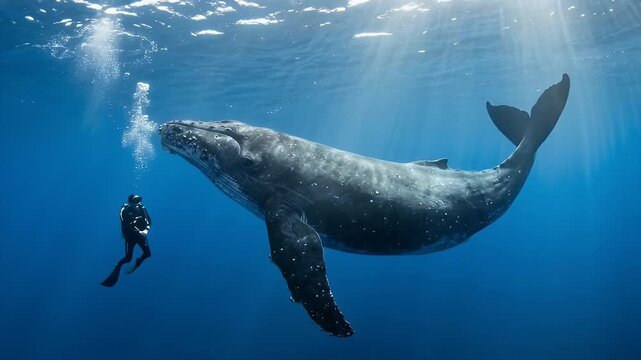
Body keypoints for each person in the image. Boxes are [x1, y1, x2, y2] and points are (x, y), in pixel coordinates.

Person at [101, 194, 152, 287]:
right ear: (130, 202)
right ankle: (118, 265)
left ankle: (138, 263)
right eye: (135, 201)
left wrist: (146, 230)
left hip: (141, 235)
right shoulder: (125, 210)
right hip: (130, 237)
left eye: (138, 200)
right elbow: (125, 222)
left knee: (148, 254)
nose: (137, 203)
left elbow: (149, 221)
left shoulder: (142, 208)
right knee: (128, 258)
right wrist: (138, 229)